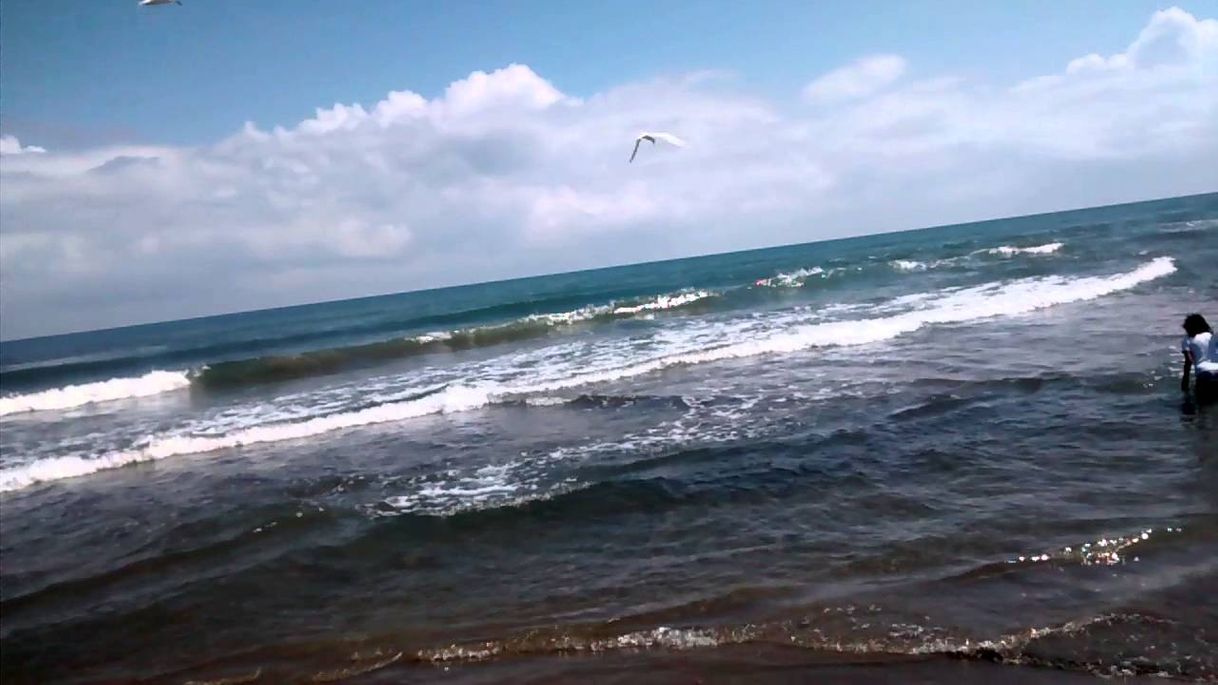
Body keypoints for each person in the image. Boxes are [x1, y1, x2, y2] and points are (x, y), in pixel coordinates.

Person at [1180, 313, 1218, 404]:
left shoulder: (1188, 339)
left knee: (1202, 408)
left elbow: (1188, 361)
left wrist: (1185, 386)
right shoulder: (1213, 337)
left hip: (1204, 376)